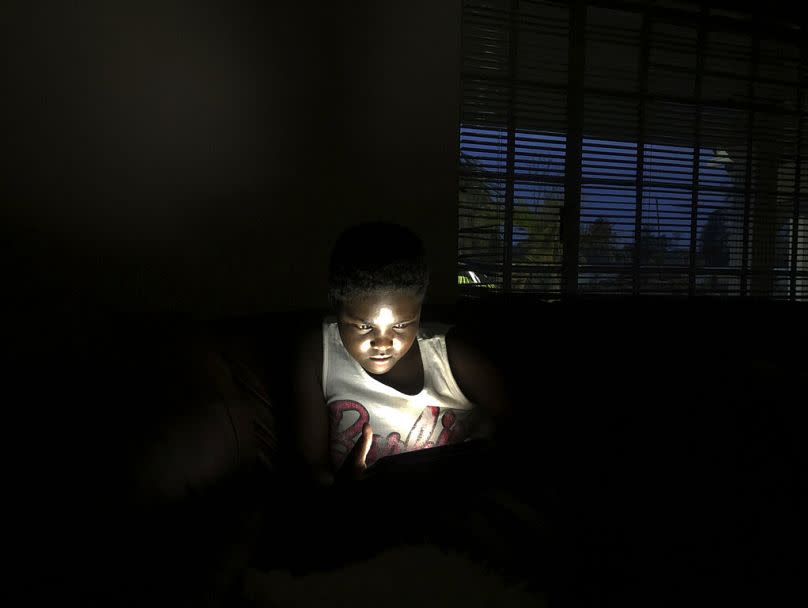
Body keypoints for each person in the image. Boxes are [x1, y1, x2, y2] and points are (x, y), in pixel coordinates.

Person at [292, 221, 511, 488]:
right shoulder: (318, 355)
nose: (383, 343)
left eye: (400, 325)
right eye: (363, 326)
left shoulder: (454, 358)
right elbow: (312, 468)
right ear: (335, 306)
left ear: (419, 309)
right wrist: (342, 489)